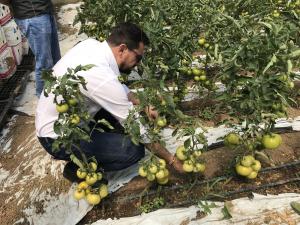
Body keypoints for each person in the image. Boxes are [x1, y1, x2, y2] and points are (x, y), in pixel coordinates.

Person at [35, 22, 183, 182]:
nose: (138, 63)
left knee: (123, 119)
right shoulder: (100, 76)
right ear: (122, 49)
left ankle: (99, 145)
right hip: (57, 137)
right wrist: (171, 160)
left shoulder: (92, 45)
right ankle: (77, 168)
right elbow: (138, 129)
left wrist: (143, 104)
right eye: (138, 57)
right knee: (133, 150)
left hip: (62, 119)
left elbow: (116, 89)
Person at [0, 0, 61, 97]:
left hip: (45, 11)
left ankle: (57, 91)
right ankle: (43, 98)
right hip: (32, 16)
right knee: (44, 62)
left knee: (55, 57)